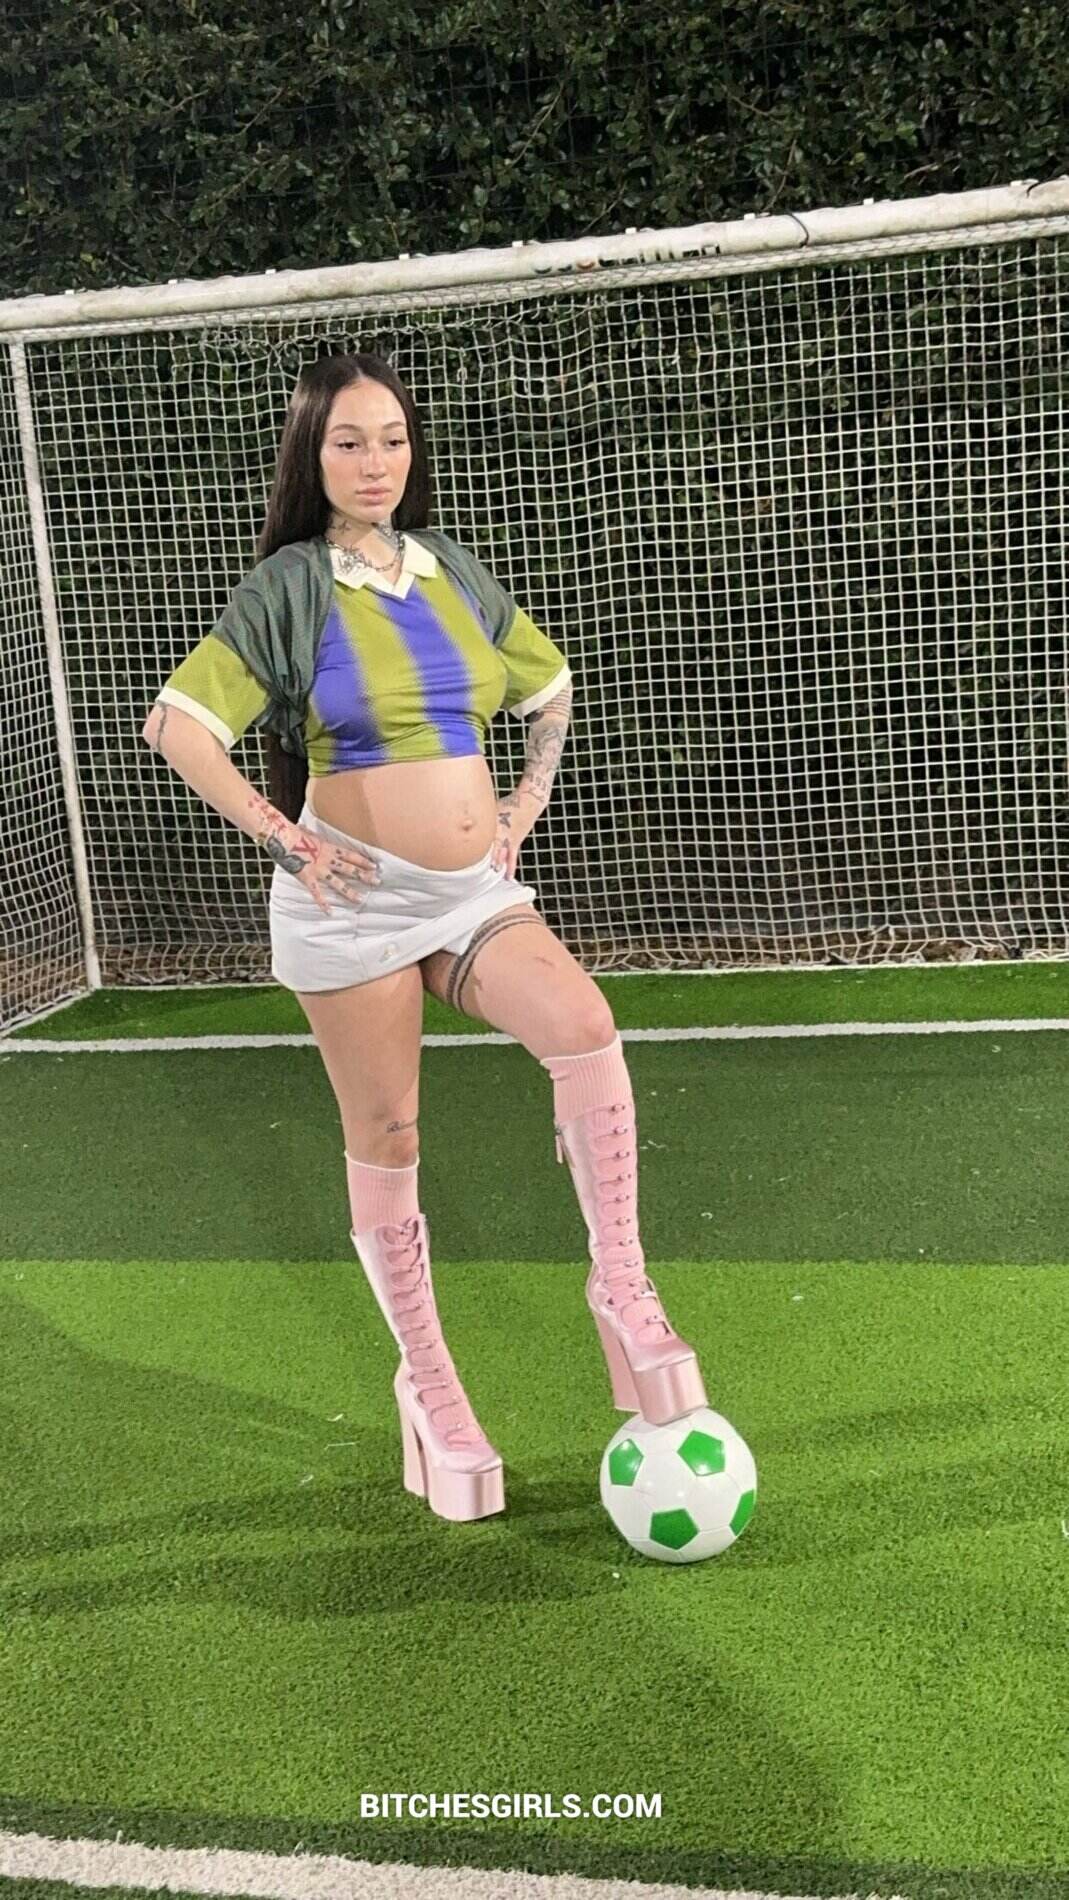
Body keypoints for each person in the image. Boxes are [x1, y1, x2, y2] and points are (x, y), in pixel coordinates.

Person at [141, 351, 707, 1525]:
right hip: (352, 908)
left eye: (392, 438)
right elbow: (177, 727)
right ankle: (432, 1388)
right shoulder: (289, 585)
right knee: (390, 1133)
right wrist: (286, 841)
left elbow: (548, 689)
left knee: (584, 1024)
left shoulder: (450, 569)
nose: (375, 462)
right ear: (312, 457)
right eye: (348, 442)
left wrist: (523, 805)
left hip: (467, 895)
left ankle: (622, 1287)